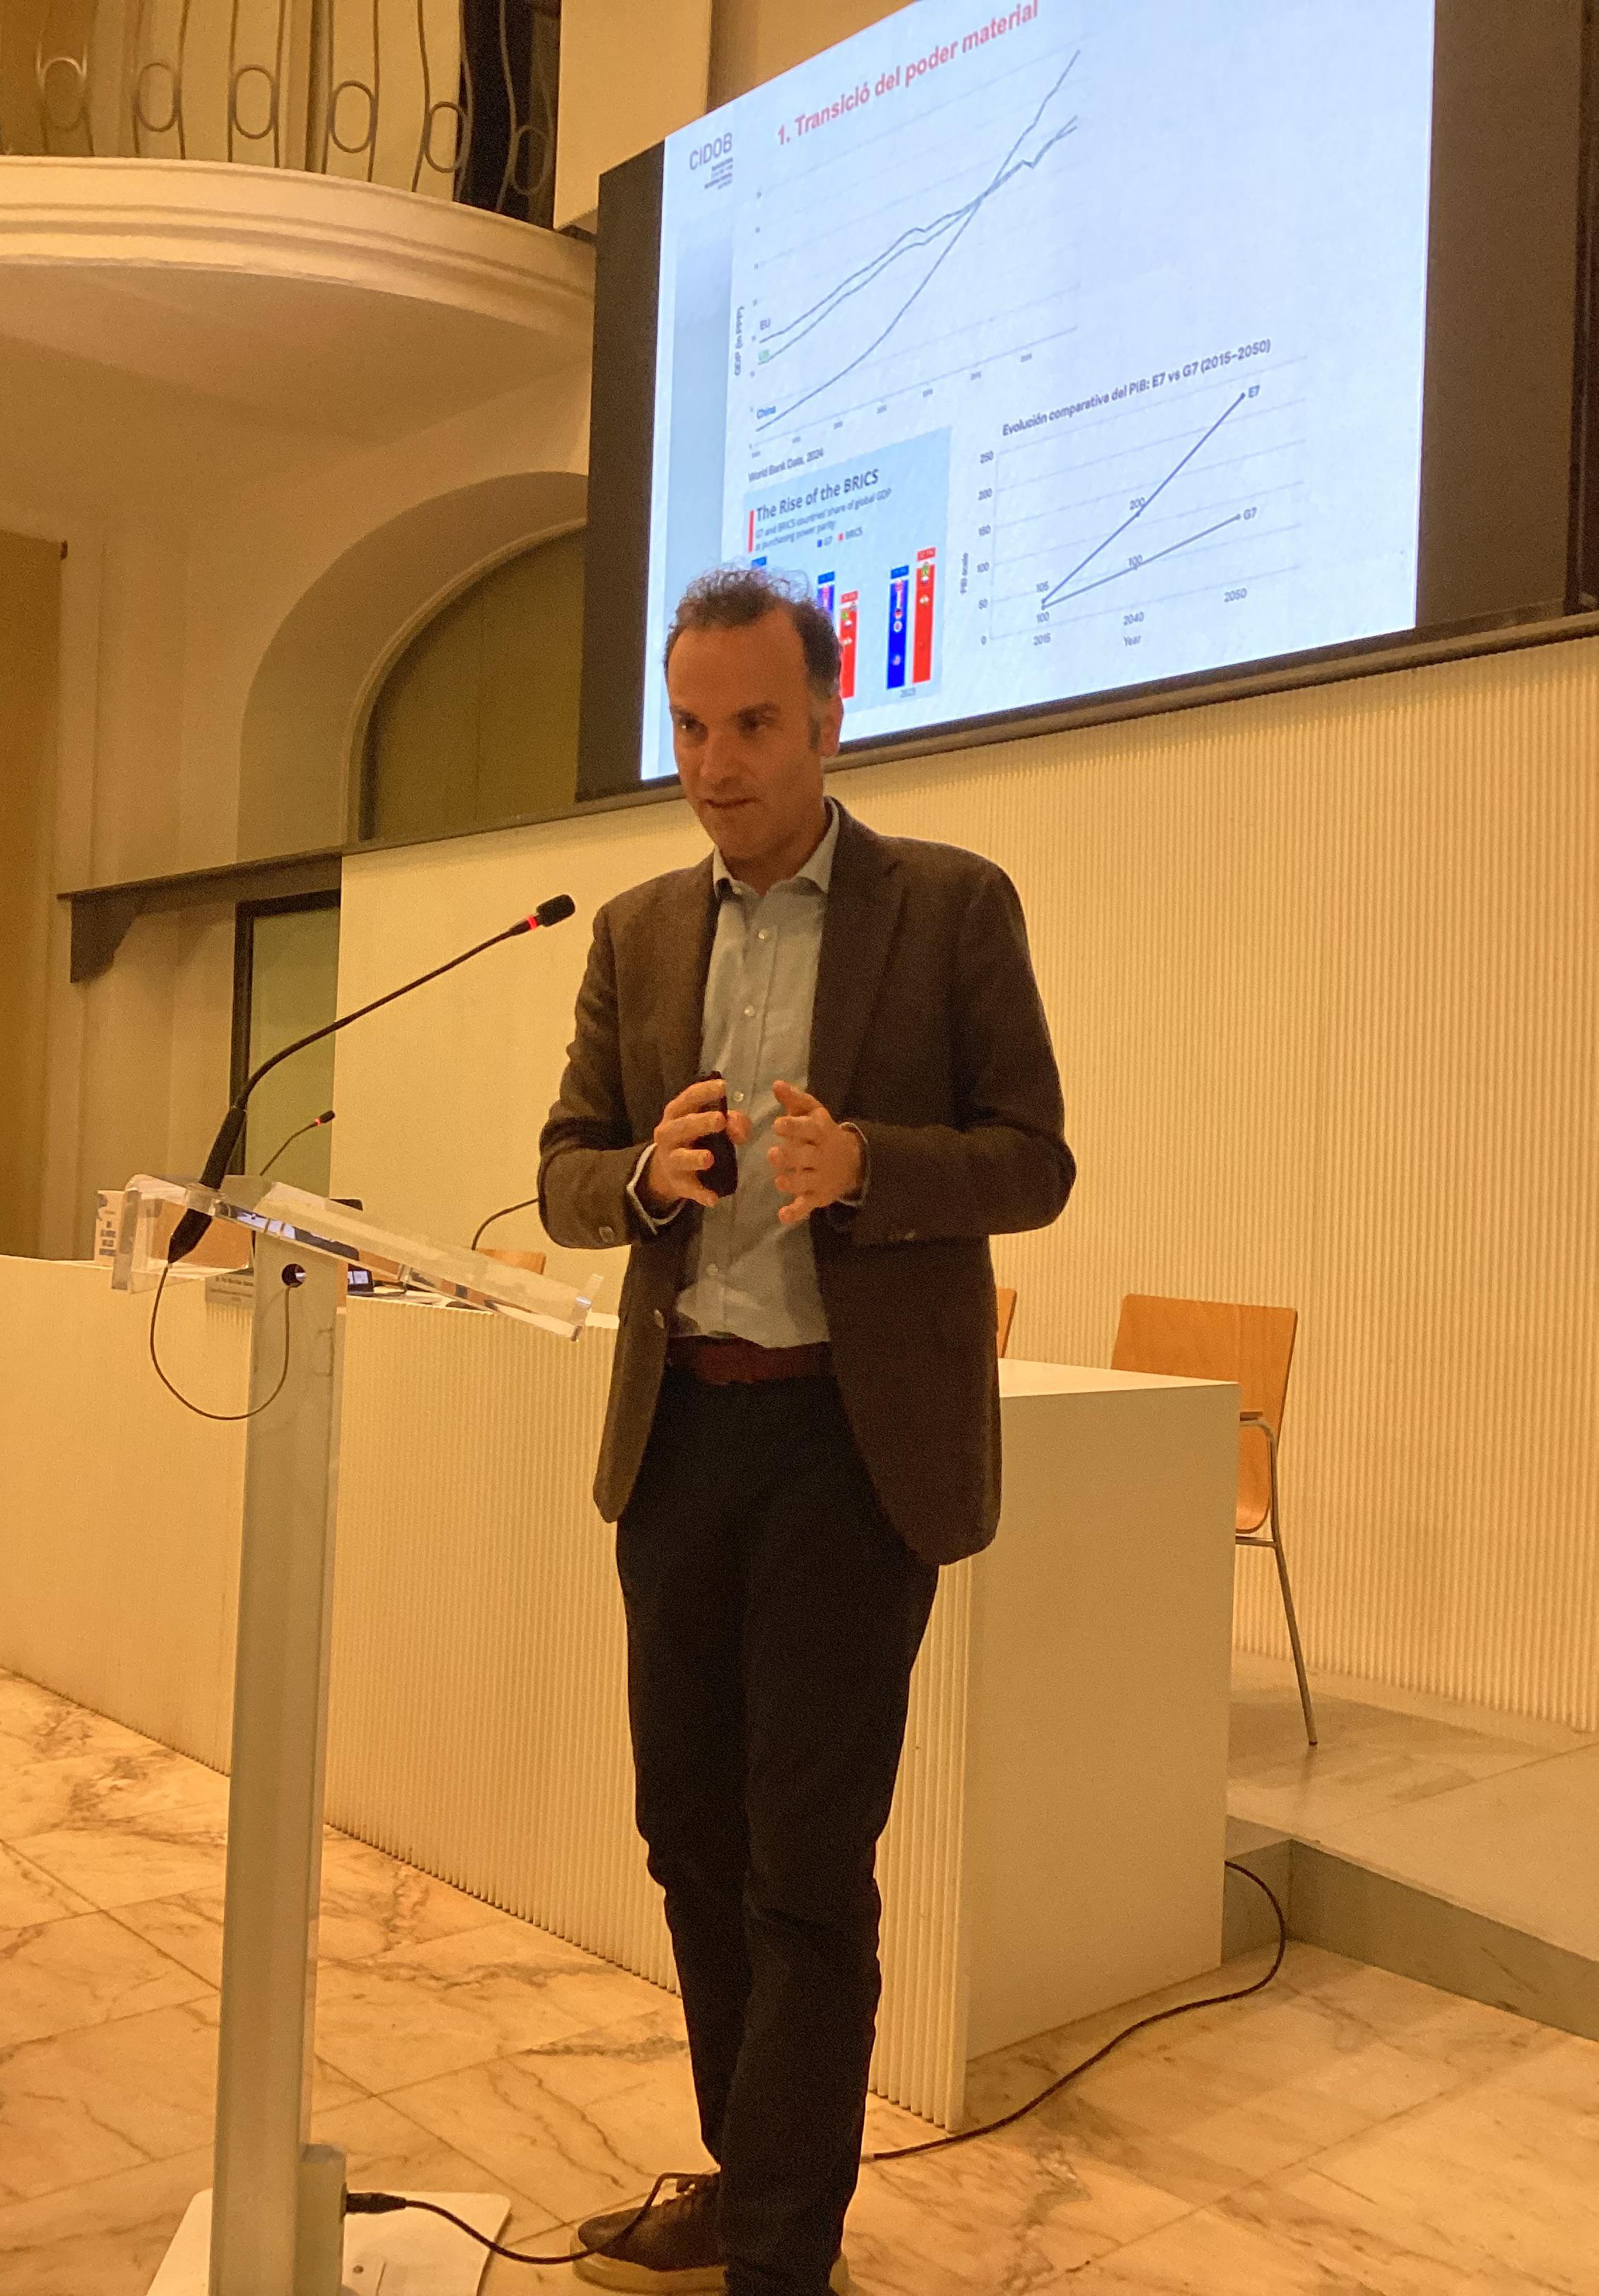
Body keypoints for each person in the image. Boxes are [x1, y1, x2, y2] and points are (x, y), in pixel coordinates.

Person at [537, 567, 1074, 2296]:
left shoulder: (950, 907)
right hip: (681, 1443)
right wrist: (643, 1176)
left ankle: (781, 2249)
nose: (716, 764)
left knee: (806, 1865)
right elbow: (561, 1173)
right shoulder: (636, 933)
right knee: (688, 1841)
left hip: (850, 1454)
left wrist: (871, 1169)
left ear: (831, 720)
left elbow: (1035, 1159)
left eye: (753, 724)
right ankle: (749, 2177)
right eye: (691, 727)